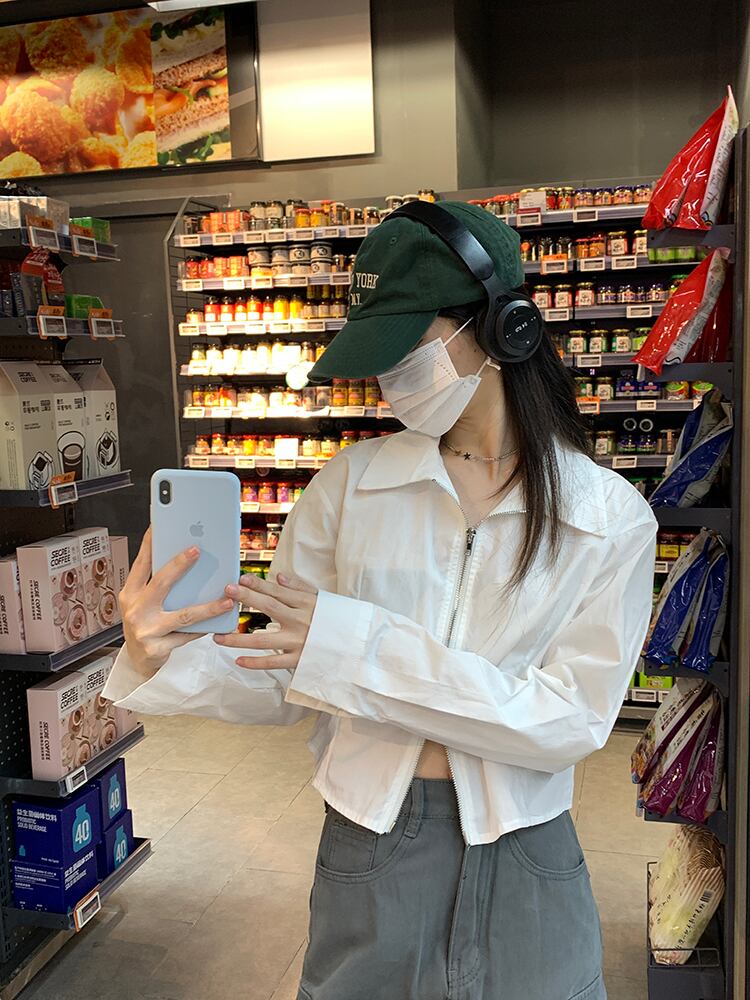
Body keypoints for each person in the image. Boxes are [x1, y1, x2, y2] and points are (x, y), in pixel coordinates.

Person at [104, 202, 658, 1000]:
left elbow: (568, 722)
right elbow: (286, 679)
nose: (387, 374)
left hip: (529, 854)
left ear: (504, 328)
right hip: (370, 844)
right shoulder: (349, 488)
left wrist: (358, 652)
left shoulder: (606, 518)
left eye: (407, 344)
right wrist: (163, 660)